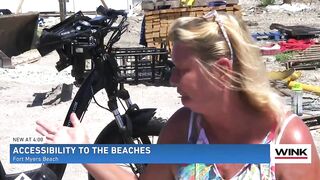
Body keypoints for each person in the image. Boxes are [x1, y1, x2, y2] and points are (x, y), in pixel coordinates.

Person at [36, 10, 320, 179]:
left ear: (220, 71)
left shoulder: (287, 143)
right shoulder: (183, 129)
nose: (172, 79)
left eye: (181, 69)